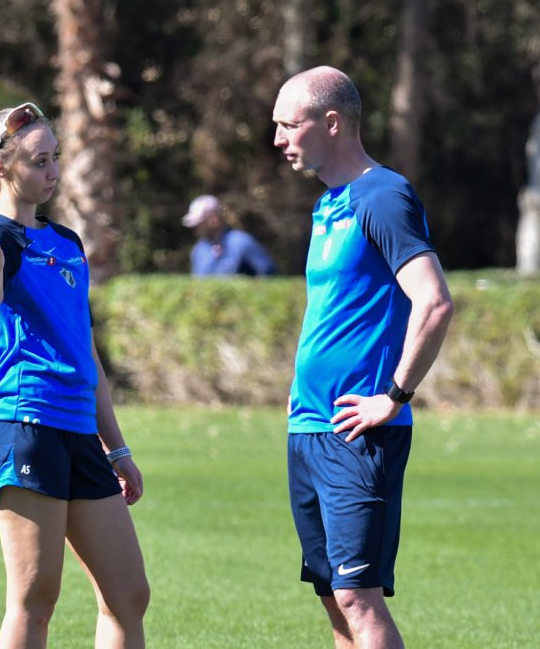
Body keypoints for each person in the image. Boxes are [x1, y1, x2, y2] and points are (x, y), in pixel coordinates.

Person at [272, 66, 454, 648]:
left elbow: (434, 302)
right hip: (309, 427)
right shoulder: (328, 205)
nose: (278, 139)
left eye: (288, 125)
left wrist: (394, 396)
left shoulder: (384, 196)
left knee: (358, 596)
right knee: (334, 596)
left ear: (331, 123)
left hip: (359, 433)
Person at [0, 101, 150, 649]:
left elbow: (85, 354)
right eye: (39, 161)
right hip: (25, 427)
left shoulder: (67, 243)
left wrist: (117, 448)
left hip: (79, 435)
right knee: (35, 600)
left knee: (128, 595)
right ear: (0, 167)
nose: (53, 171)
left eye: (55, 157)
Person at [181, 194, 277, 276]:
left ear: (214, 219)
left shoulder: (241, 242)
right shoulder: (198, 250)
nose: (195, 227)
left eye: (199, 222)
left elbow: (268, 272)